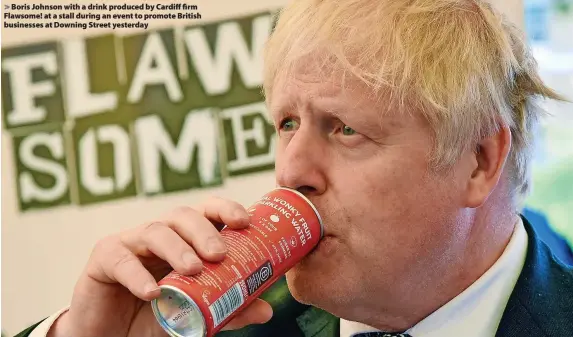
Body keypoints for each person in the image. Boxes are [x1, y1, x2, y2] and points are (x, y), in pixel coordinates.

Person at [17, 0, 573, 336]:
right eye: (286, 124)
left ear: (479, 161)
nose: (291, 171)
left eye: (346, 128)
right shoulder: (218, 329)